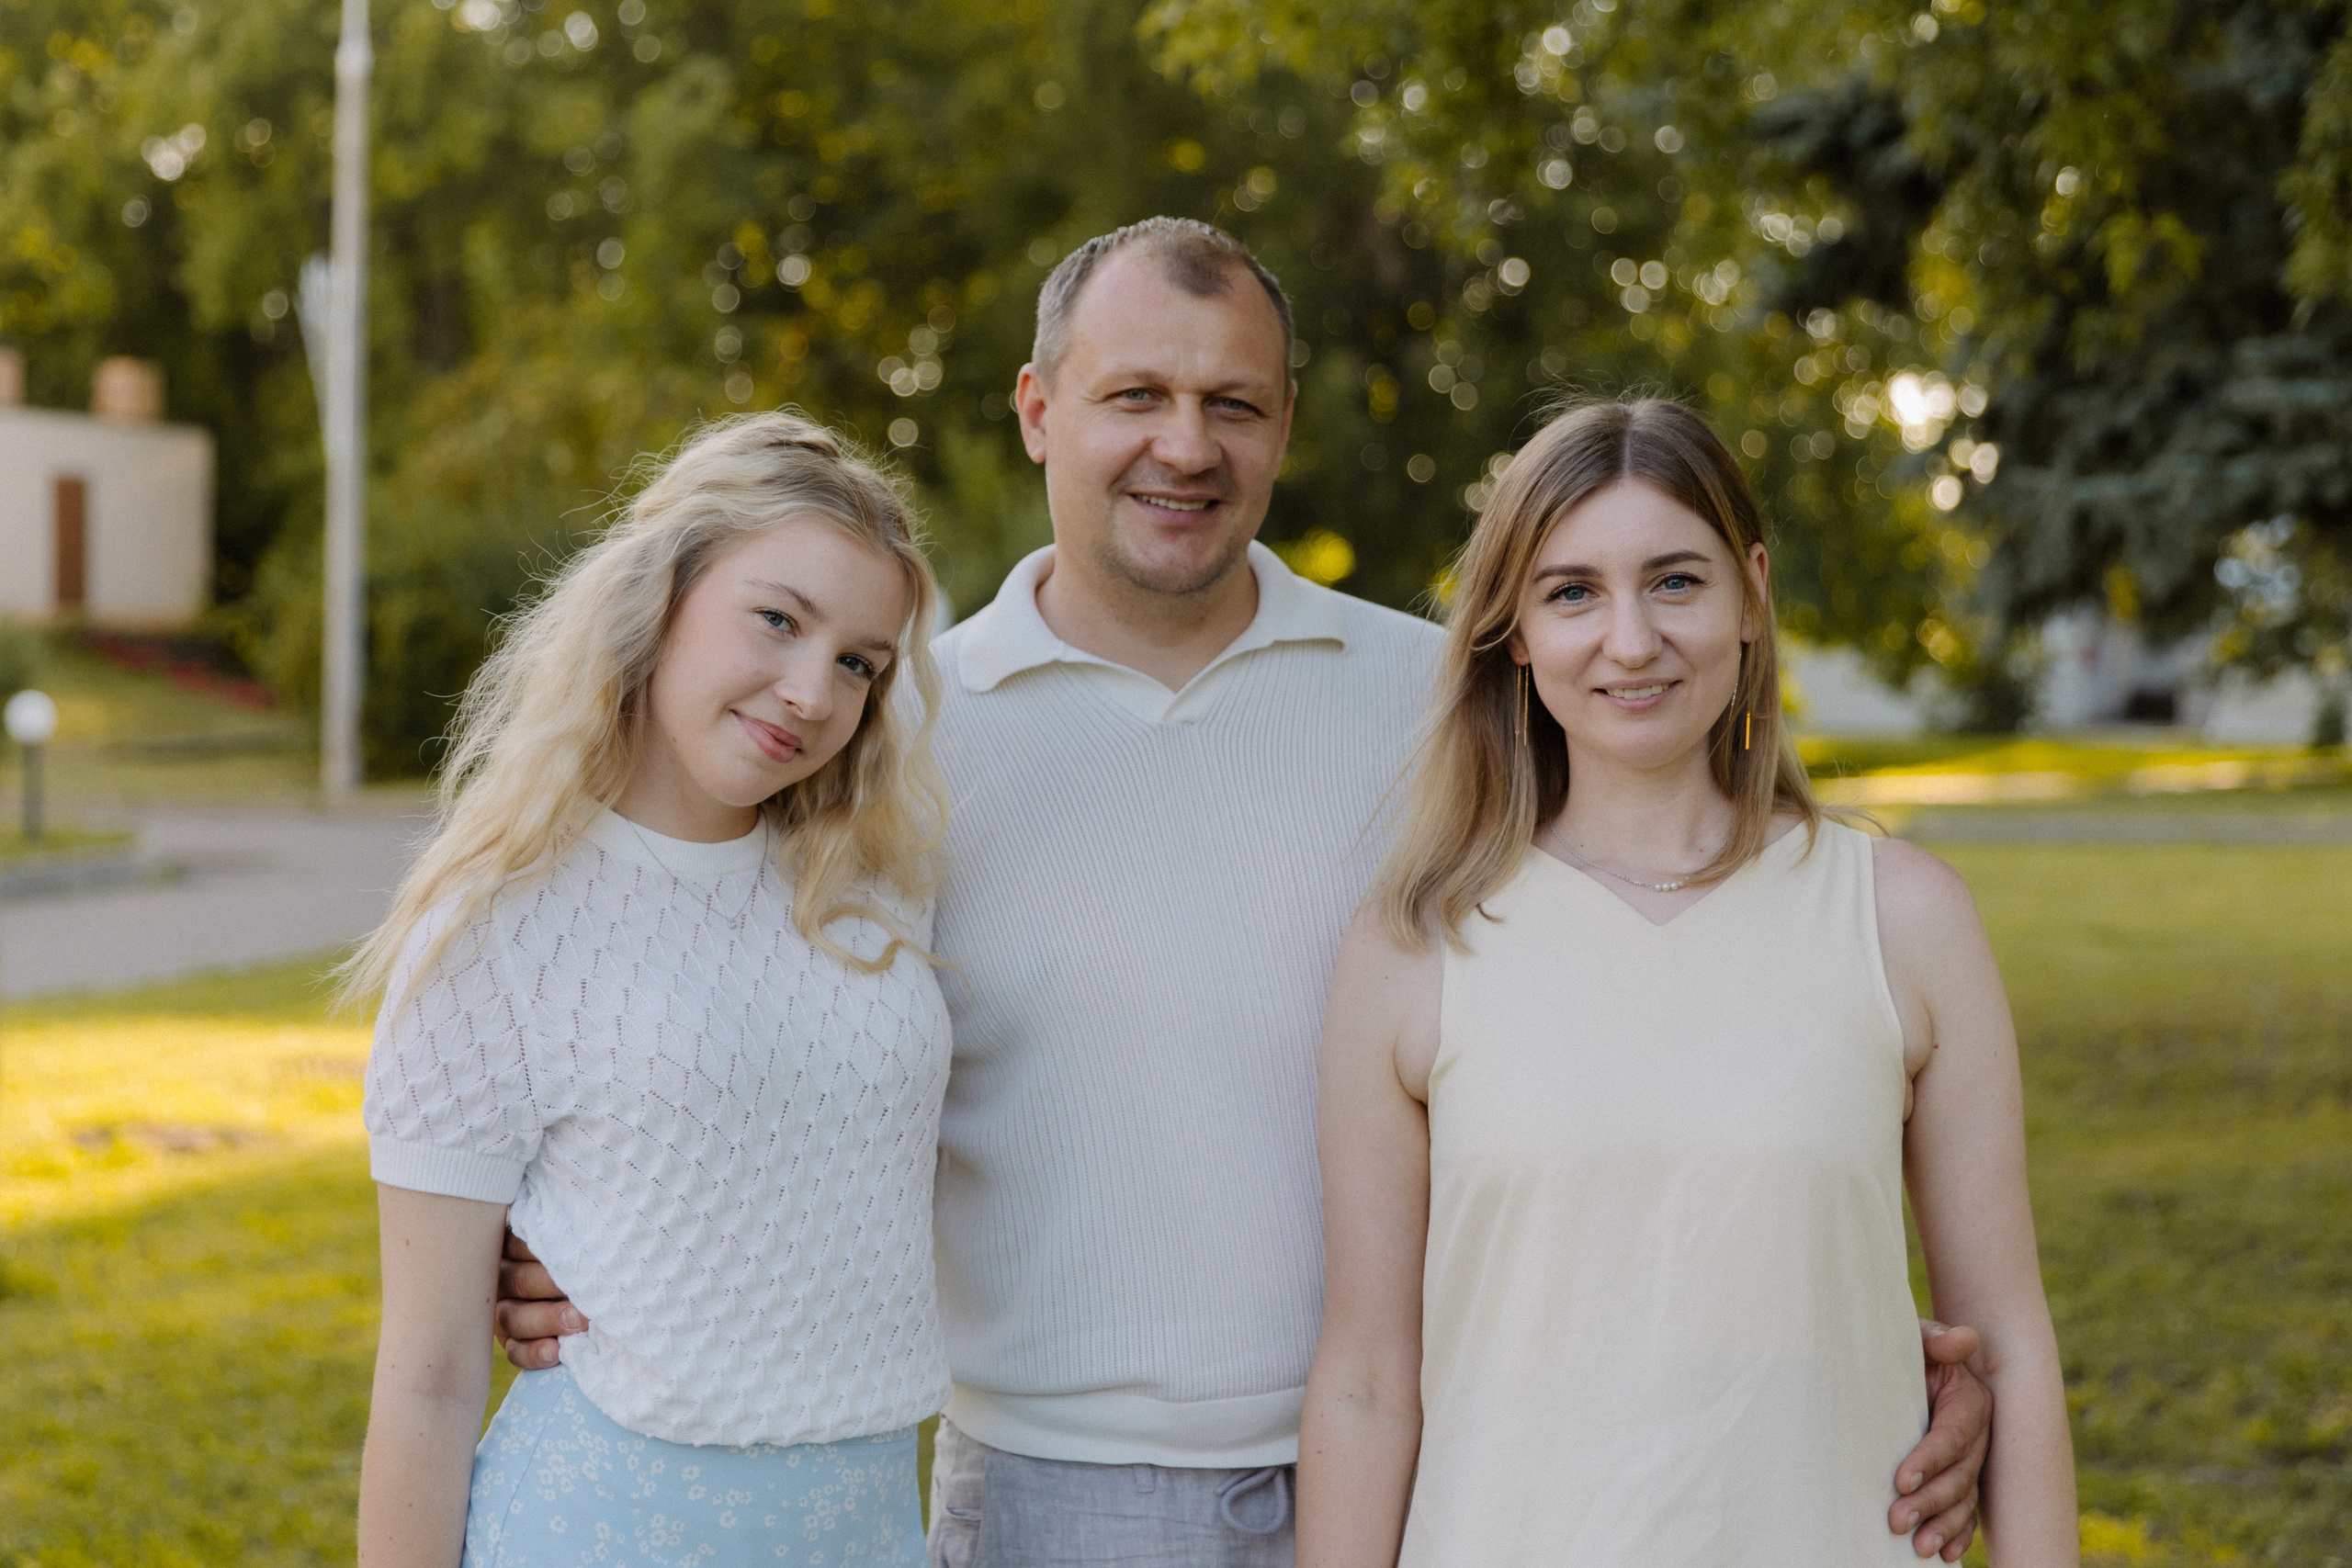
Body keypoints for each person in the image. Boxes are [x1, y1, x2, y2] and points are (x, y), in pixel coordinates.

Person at [496, 220, 1996, 1565]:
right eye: (1134, 396)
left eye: (1232, 403)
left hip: (1435, 1473)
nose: (1184, 446)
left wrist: (1861, 1346)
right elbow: (727, 1016)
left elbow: (1669, 993)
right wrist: (562, 1225)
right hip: (1043, 1498)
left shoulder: (1445, 703)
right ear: (1038, 411)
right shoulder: (898, 734)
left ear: (1285, 426)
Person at [1296, 399, 2077, 1567]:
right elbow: (1365, 1381)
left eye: (1674, 581)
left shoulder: (1902, 918)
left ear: (1750, 592)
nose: (1629, 640)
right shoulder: (1413, 944)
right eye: (1571, 593)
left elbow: (2006, 1345)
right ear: (1513, 629)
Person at [351, 413, 953, 1567]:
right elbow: (427, 1375)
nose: (812, 692)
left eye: (858, 664)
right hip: (599, 1525)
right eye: (777, 620)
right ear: (660, 595)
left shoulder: (878, 895)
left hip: (869, 1525)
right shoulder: (493, 926)